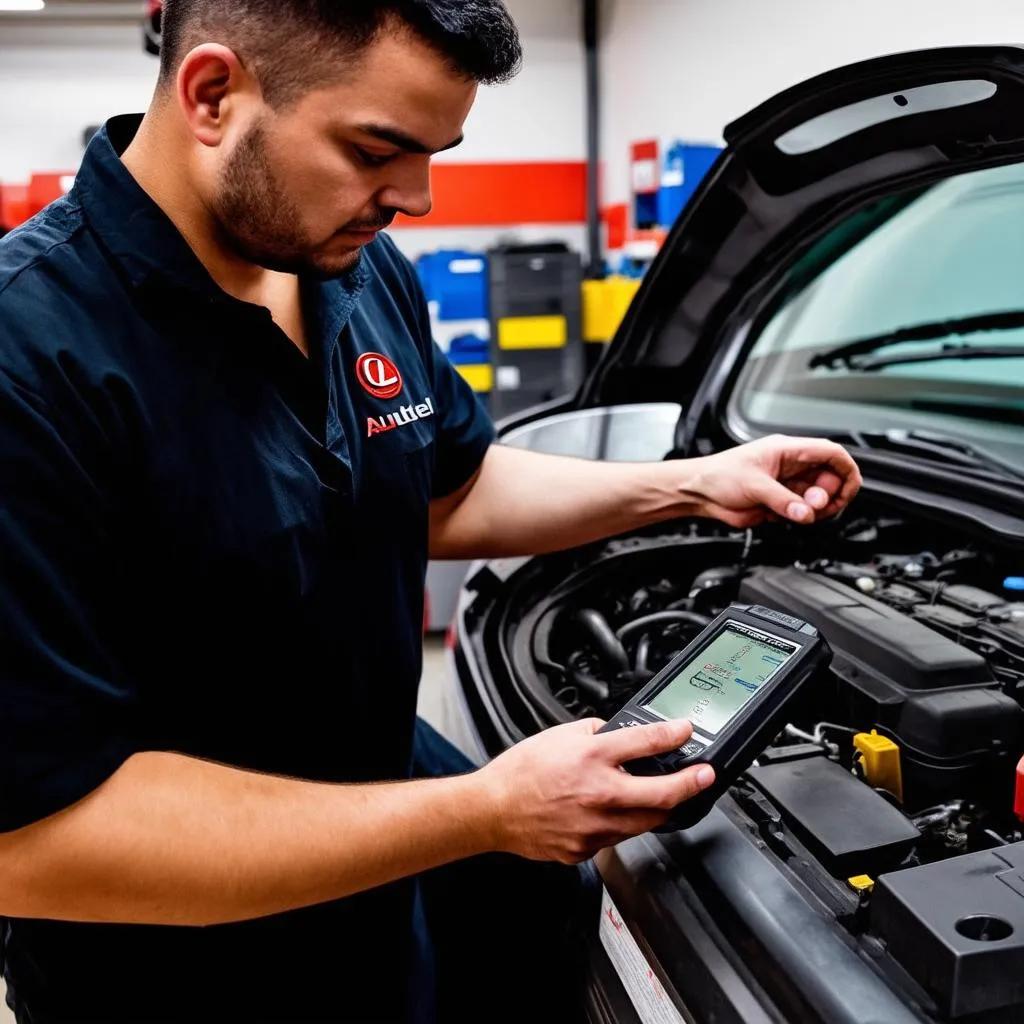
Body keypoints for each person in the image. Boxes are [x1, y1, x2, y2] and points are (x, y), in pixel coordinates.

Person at [0, 1, 863, 1021]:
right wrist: (482, 810)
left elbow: (446, 489)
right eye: (379, 148)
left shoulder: (349, 267)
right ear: (213, 94)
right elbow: (34, 843)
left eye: (435, 152)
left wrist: (693, 482)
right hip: (180, 972)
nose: (415, 197)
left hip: (376, 893)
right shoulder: (29, 360)